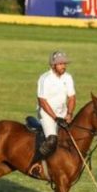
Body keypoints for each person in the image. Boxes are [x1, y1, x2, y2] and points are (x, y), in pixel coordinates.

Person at [29, 50, 76, 178]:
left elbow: (72, 97)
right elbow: (42, 101)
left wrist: (69, 114)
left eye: (64, 63)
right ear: (53, 65)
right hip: (46, 113)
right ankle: (35, 164)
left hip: (63, 113)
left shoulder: (68, 78)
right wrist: (55, 118)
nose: (63, 66)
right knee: (52, 139)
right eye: (60, 64)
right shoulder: (45, 78)